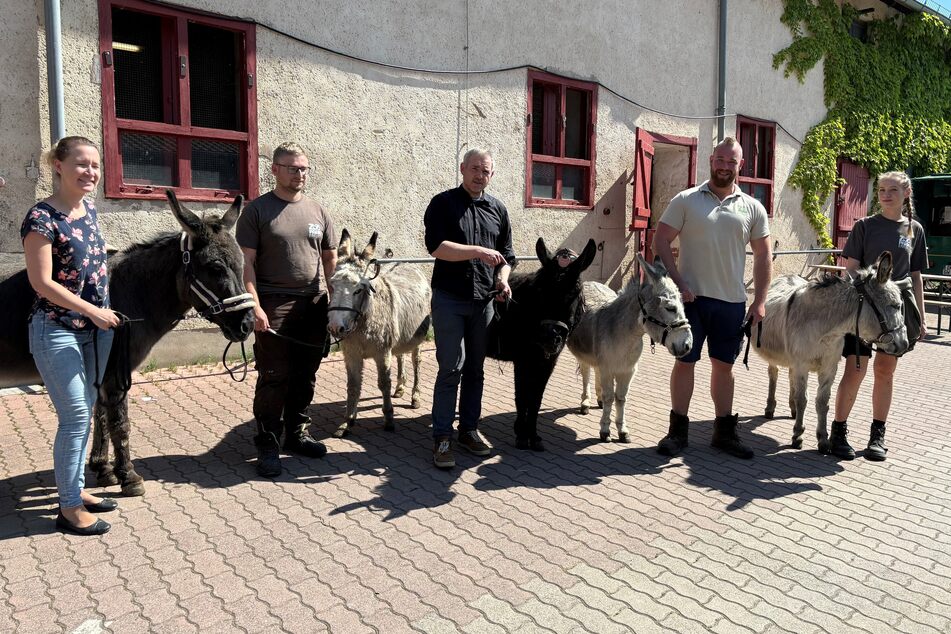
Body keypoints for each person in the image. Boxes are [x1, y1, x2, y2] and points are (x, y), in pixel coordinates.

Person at [22, 136, 121, 536]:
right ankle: (68, 508)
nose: (90, 173)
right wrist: (93, 311)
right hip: (56, 330)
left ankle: (76, 490)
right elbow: (41, 282)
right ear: (58, 165)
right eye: (81, 164)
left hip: (96, 331)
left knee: (85, 410)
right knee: (76, 416)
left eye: (95, 166)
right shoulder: (41, 218)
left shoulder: (89, 210)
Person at [652, 137, 773, 459]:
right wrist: (677, 282)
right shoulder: (687, 199)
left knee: (724, 367)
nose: (724, 166)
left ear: (740, 166)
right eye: (719, 159)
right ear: (710, 159)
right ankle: (677, 433)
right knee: (684, 363)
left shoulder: (753, 208)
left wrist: (759, 300)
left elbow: (763, 256)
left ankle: (723, 432)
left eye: (731, 161)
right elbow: (660, 240)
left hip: (732, 303)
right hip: (691, 301)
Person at [236, 143, 337, 477]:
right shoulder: (257, 211)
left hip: (313, 305)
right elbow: (246, 263)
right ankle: (268, 441)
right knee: (274, 377)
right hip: (273, 305)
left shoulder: (318, 212)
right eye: (293, 168)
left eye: (304, 169)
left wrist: (333, 300)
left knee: (305, 376)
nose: (300, 174)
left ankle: (296, 434)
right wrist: (255, 306)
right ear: (274, 170)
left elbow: (329, 258)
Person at [424, 148, 515, 469]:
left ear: (492, 175)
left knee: (476, 369)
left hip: (484, 302)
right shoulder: (443, 203)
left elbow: (507, 256)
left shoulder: (498, 209)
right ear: (462, 169)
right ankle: (442, 437)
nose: (480, 175)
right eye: (475, 168)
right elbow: (437, 247)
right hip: (449, 299)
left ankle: (469, 430)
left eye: (486, 171)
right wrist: (477, 251)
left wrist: (503, 279)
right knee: (452, 367)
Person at [829, 171, 928, 461]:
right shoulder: (865, 226)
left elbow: (915, 274)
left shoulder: (912, 229)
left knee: (885, 371)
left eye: (892, 190)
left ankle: (877, 436)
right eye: (882, 189)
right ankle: (838, 432)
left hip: (894, 311)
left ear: (906, 193)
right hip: (863, 309)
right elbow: (850, 270)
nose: (885, 194)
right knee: (855, 370)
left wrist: (921, 317)